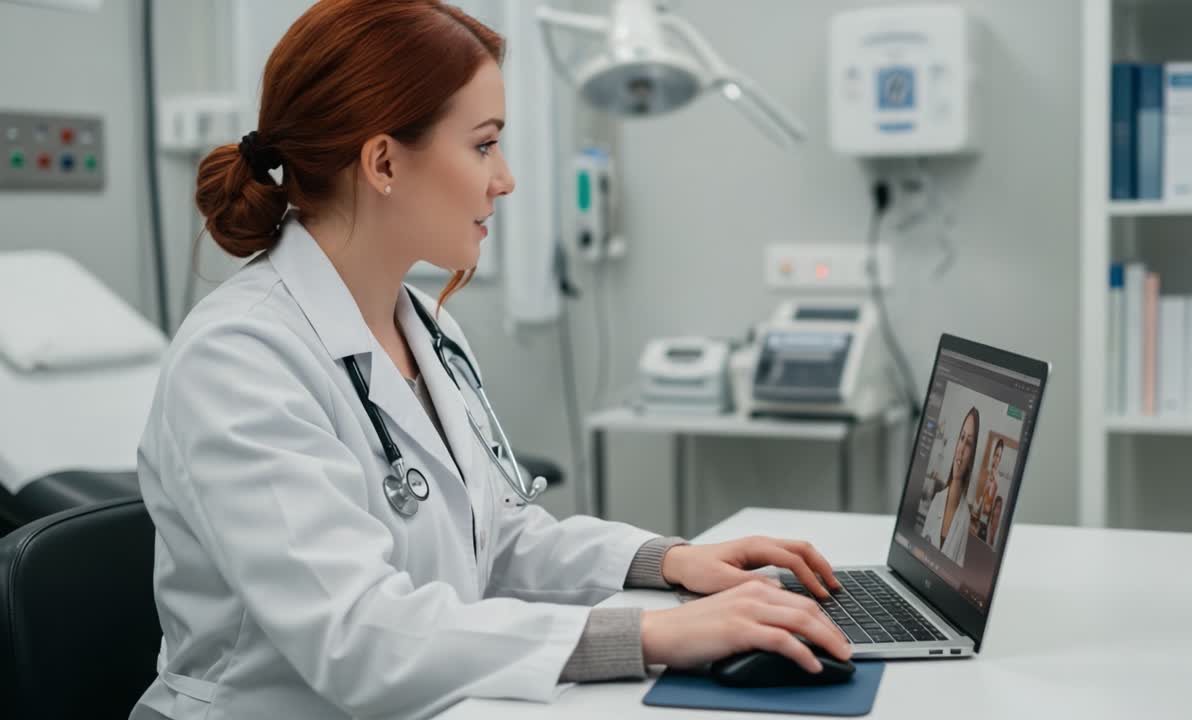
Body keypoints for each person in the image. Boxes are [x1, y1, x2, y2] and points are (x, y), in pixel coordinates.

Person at [129, 2, 850, 718]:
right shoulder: (241, 357)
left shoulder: (427, 329)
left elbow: (495, 540)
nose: (504, 179)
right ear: (383, 162)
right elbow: (355, 635)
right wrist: (653, 635)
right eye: (483, 145)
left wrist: (668, 562)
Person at [921, 407, 979, 564]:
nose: (961, 449)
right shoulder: (937, 500)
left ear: (972, 456)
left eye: (968, 443)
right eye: (962, 438)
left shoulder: (965, 518)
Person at [975, 438, 1004, 542]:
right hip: (980, 516)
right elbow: (981, 497)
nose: (996, 459)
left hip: (989, 522)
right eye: (996, 455)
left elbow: (996, 503)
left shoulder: (998, 479)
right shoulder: (986, 474)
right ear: (992, 456)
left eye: (999, 456)